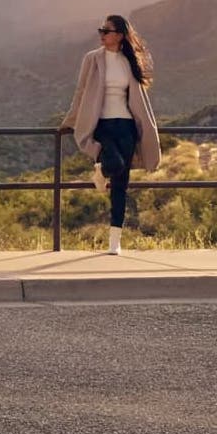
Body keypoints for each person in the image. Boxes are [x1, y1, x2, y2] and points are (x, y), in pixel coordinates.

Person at [60, 15, 161, 255]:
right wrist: (71, 120)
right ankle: (101, 167)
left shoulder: (129, 61)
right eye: (101, 30)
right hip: (102, 123)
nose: (102, 34)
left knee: (121, 184)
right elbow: (81, 91)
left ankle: (115, 240)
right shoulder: (92, 59)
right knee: (113, 162)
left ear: (120, 35)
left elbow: (138, 97)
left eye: (107, 30)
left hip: (125, 125)